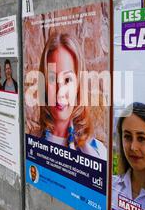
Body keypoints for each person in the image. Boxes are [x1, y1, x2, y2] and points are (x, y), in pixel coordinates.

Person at [38, 32, 107, 161]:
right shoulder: (31, 142)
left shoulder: (98, 155)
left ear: (78, 85)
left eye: (67, 80)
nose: (60, 92)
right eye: (52, 78)